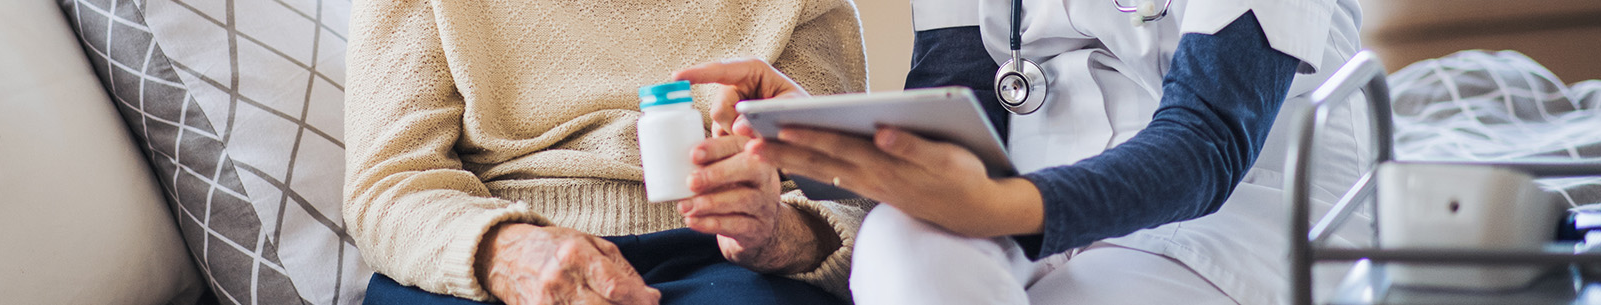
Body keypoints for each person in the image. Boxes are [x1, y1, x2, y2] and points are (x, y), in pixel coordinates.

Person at [671, 0, 1364, 304]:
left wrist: (999, 206)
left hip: (1220, 214)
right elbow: (960, 93)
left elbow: (1209, 140)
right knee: (898, 249)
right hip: (1020, 194)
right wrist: (833, 137)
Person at [342, 0, 876, 304]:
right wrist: (506, 254)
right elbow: (392, 185)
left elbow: (855, 199)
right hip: (488, 256)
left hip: (727, 264)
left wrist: (778, 235)